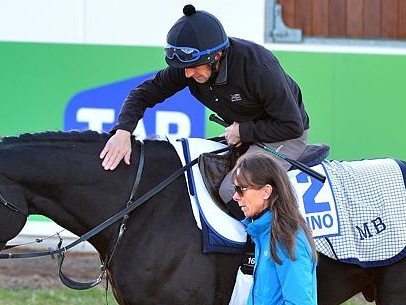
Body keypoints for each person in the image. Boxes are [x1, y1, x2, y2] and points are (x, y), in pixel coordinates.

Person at [99, 4, 310, 219]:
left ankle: (258, 251)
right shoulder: (188, 67)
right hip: (243, 135)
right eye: (184, 68)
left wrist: (243, 131)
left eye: (195, 67)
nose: (188, 74)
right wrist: (123, 131)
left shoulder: (259, 67)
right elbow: (142, 94)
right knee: (196, 174)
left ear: (217, 56)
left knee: (233, 189)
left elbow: (292, 126)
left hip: (286, 135)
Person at [231, 153, 323, 305]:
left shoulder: (286, 239)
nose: (236, 197)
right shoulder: (266, 234)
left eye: (241, 189)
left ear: (266, 191)